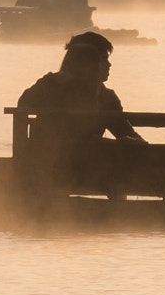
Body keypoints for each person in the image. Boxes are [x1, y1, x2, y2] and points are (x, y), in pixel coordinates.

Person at [16, 31, 146, 183]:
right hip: (52, 169)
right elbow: (74, 138)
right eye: (103, 59)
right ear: (86, 63)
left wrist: (139, 144)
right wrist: (49, 82)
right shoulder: (55, 87)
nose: (109, 65)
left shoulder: (106, 97)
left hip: (90, 169)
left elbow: (124, 131)